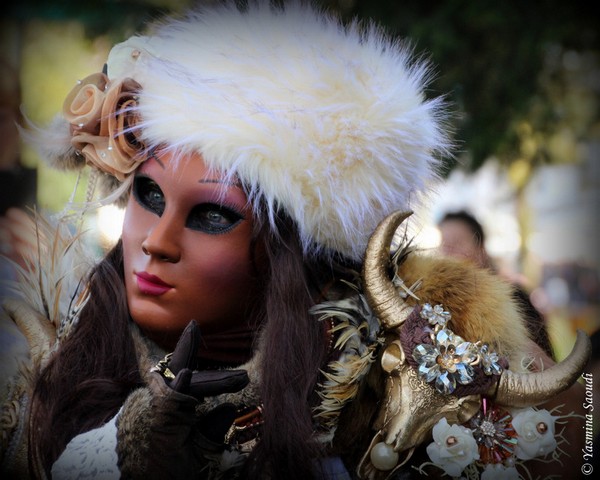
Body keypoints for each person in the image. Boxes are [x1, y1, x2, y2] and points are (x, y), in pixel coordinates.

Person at [0, 2, 589, 479]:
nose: (156, 242)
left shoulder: (404, 379)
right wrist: (128, 448)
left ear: (286, 258)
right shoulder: (44, 356)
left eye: (209, 215)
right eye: (148, 197)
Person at [437, 210, 555, 359]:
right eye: (444, 244)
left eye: (457, 242)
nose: (448, 252)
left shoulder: (514, 297)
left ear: (481, 249)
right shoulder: (437, 308)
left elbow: (544, 364)